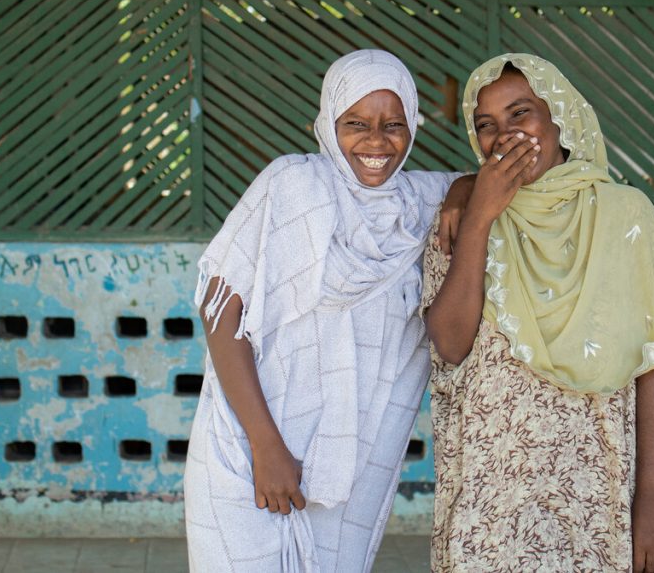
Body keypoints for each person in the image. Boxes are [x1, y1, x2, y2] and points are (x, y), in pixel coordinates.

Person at [422, 53, 654, 573]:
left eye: (521, 114)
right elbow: (449, 344)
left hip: (596, 494)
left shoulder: (625, 216)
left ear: (560, 116)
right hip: (491, 501)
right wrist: (480, 216)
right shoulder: (460, 219)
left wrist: (651, 498)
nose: (505, 135)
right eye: (486, 125)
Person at [184, 49, 467, 572]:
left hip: (345, 468)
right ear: (327, 123)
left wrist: (459, 195)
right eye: (355, 123)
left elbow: (477, 182)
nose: (376, 142)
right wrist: (266, 447)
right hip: (246, 449)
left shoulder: (418, 203)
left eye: (393, 125)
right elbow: (220, 312)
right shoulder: (292, 186)